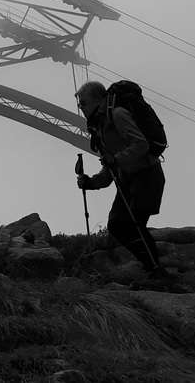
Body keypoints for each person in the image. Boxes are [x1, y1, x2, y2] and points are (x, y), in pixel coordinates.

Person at [74, 81, 166, 275]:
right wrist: (91, 182)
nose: (81, 107)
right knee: (118, 225)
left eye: (83, 103)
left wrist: (116, 159)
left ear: (97, 100)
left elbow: (141, 145)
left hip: (147, 175)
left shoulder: (117, 115)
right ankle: (152, 268)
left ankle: (156, 270)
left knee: (132, 225)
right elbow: (110, 168)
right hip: (128, 179)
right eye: (79, 104)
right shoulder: (99, 126)